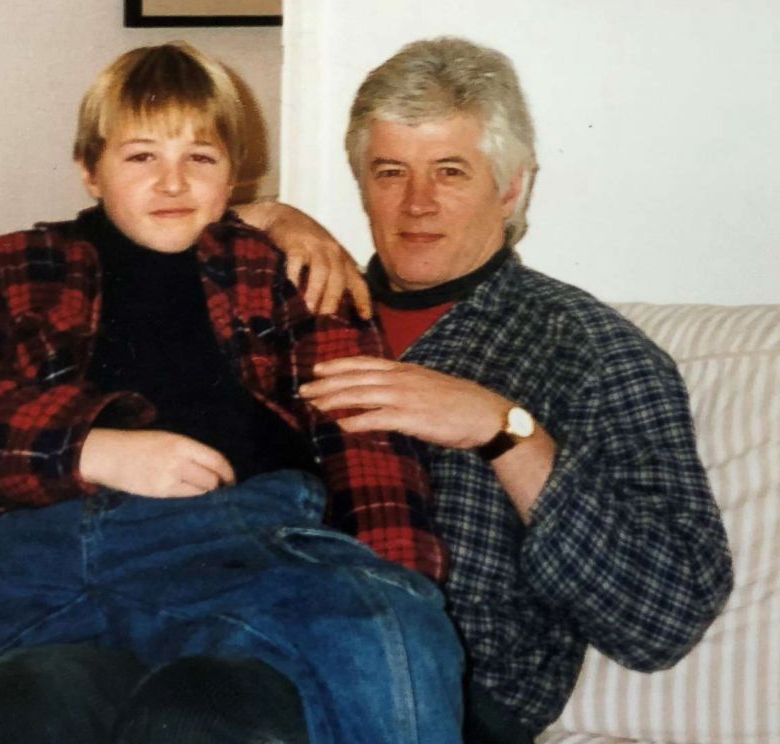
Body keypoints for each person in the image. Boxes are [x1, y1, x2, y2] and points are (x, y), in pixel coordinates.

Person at [0, 42, 465, 744]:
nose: (172, 184)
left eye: (199, 158)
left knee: (392, 625)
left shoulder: (289, 273)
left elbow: (366, 439)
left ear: (233, 171)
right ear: (89, 169)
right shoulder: (2, 268)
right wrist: (90, 448)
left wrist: (385, 579)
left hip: (237, 540)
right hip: (36, 543)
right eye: (141, 157)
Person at [243, 36, 733, 742]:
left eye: (450, 171)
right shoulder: (299, 306)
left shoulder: (591, 352)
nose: (416, 203)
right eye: (390, 172)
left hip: (442, 693)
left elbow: (664, 615)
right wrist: (265, 217)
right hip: (243, 639)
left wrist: (504, 431)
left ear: (511, 187)